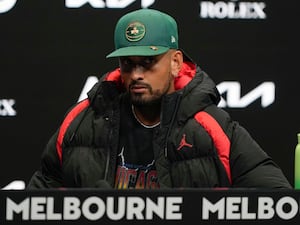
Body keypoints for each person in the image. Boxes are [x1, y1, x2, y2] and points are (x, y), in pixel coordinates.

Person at [27, 8, 291, 189]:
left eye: (149, 62)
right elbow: (36, 202)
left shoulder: (210, 127)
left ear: (176, 62)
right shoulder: (82, 121)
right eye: (128, 64)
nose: (137, 74)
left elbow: (276, 201)